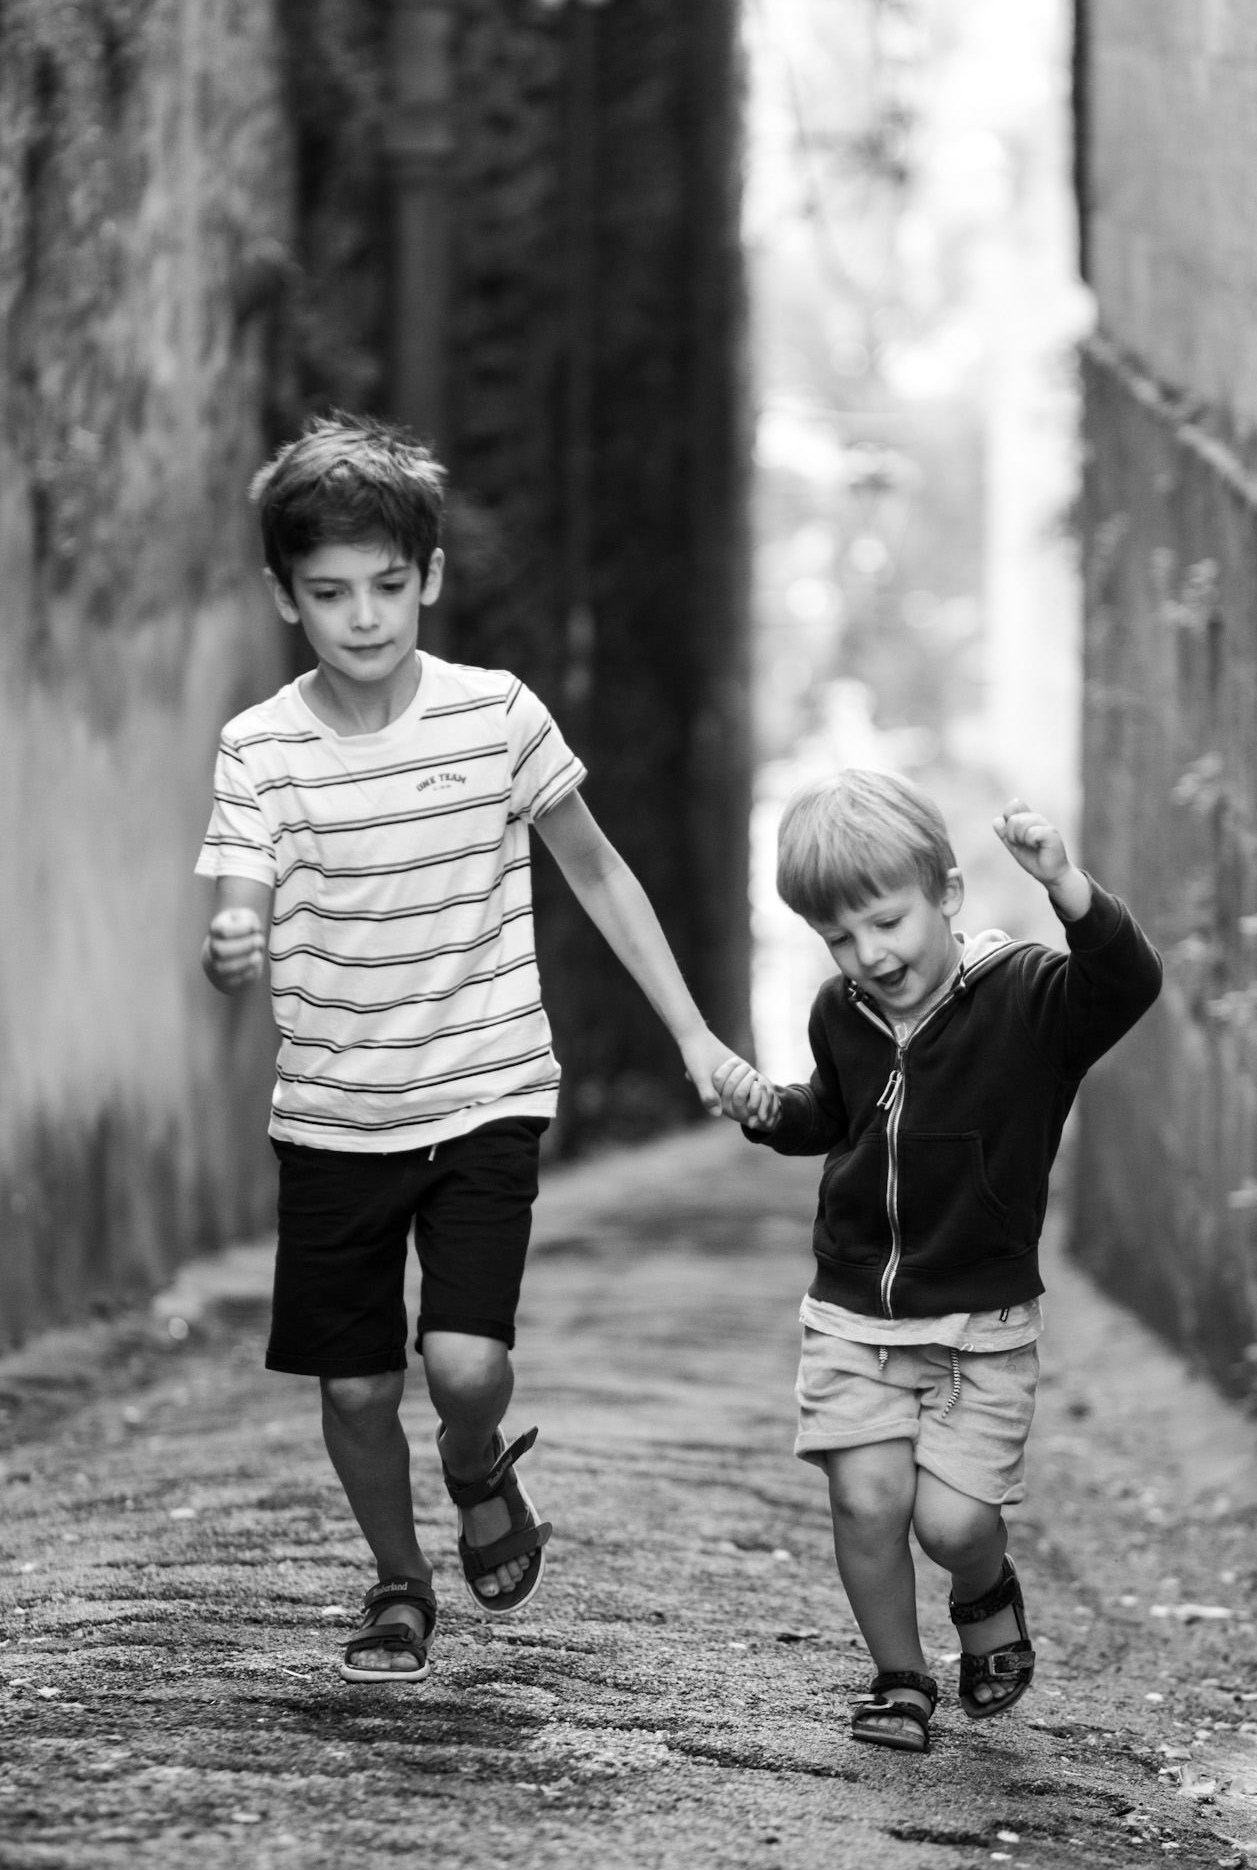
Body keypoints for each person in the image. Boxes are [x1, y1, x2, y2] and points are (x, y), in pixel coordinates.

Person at [197, 413, 739, 1684]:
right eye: (329, 592)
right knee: (349, 1390)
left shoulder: (496, 716)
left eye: (389, 585)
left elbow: (599, 875)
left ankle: (475, 1453)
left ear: (429, 577)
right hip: (332, 1110)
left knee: (465, 1359)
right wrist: (233, 942)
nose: (365, 616)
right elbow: (240, 890)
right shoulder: (258, 746)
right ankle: (398, 1579)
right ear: (286, 596)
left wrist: (695, 1033)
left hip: (485, 1086)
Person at [713, 770, 1161, 1754]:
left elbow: (1128, 983)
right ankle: (901, 1674)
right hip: (852, 1318)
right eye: (839, 936)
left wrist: (1065, 882)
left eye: (885, 920)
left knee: (954, 1524)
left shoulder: (1031, 999)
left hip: (982, 1326)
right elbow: (830, 1113)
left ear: (947, 895)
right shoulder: (843, 1009)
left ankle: (983, 1587)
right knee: (866, 1497)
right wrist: (769, 1109)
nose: (869, 954)